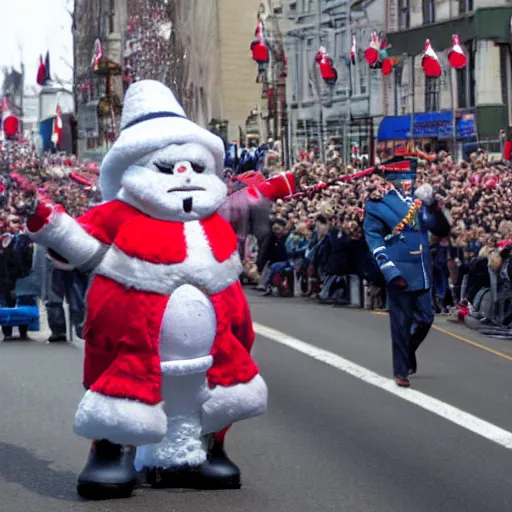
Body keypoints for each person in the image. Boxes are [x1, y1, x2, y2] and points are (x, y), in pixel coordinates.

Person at [363, 160, 451, 388]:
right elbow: (375, 243)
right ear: (390, 180)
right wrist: (390, 271)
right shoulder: (376, 205)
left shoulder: (418, 202)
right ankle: (401, 369)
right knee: (400, 324)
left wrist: (433, 205)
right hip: (399, 270)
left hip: (421, 269)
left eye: (410, 177)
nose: (409, 182)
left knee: (426, 319)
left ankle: (408, 351)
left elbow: (440, 230)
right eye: (405, 177)